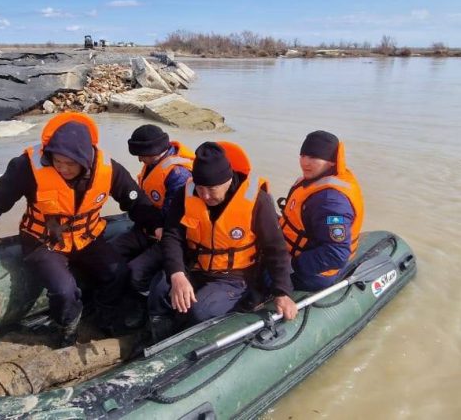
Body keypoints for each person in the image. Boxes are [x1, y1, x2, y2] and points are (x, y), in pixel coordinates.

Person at [0, 112, 163, 347]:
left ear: (86, 159)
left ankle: (105, 315)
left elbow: (135, 200)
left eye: (70, 164)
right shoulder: (27, 168)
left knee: (117, 273)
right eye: (57, 161)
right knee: (64, 291)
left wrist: (157, 226)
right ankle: (67, 331)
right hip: (44, 241)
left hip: (86, 237)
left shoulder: (108, 169)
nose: (62, 168)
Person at [148, 141, 297, 341]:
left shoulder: (257, 201)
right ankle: (159, 337)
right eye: (200, 189)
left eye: (212, 189)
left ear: (227, 180)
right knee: (158, 292)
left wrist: (282, 291)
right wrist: (177, 274)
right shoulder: (186, 194)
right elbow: (172, 236)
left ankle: (185, 341)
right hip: (195, 266)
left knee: (200, 311)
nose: (206, 196)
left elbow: (275, 248)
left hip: (234, 276)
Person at [277, 130, 364, 291]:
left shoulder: (331, 202)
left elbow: (336, 254)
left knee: (258, 276)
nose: (305, 162)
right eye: (303, 156)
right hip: (294, 249)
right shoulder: (312, 180)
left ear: (331, 162)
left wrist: (291, 264)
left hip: (312, 273)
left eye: (313, 158)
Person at [114, 124, 194, 297]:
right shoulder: (154, 164)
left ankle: (144, 301)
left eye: (141, 156)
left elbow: (171, 218)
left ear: (153, 151)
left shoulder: (178, 175)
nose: (139, 160)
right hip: (148, 226)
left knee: (136, 271)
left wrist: (152, 225)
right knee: (112, 251)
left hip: (166, 235)